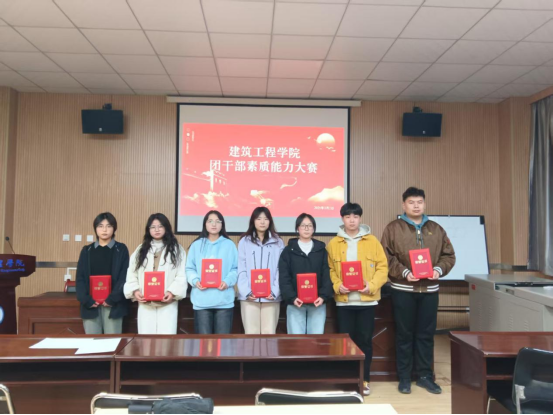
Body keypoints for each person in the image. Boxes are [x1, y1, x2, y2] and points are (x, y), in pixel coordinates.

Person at [381, 187, 456, 395]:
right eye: (411, 202)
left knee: (426, 335)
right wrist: (404, 272)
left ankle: (424, 376)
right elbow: (386, 257)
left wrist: (438, 270)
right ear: (403, 205)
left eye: (419, 202)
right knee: (404, 335)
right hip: (403, 289)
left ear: (424, 204)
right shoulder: (393, 228)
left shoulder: (436, 229)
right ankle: (404, 377)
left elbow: (449, 256)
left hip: (430, 290)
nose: (416, 206)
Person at [327, 203, 389, 397]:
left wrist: (372, 285)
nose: (352, 220)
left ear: (360, 218)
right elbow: (329, 270)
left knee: (365, 342)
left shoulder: (372, 241)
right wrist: (337, 285)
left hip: (366, 301)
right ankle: (346, 379)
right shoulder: (333, 243)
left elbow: (383, 268)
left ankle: (364, 379)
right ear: (342, 219)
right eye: (348, 217)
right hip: (344, 302)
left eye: (355, 216)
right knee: (345, 343)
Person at [124, 213, 187, 335]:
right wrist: (135, 291)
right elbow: (132, 273)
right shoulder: (140, 250)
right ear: (148, 230)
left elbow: (181, 275)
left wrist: (172, 292)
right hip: (145, 302)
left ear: (166, 228)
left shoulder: (177, 250)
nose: (157, 230)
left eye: (160, 226)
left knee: (166, 338)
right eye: (153, 227)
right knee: (146, 338)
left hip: (167, 301)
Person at [279, 213, 333, 335]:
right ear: (297, 228)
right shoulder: (288, 251)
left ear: (314, 229)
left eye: (310, 225)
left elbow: (327, 274)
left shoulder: (321, 250)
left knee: (315, 340)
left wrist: (323, 296)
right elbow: (284, 276)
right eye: (303, 225)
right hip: (295, 303)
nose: (306, 228)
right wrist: (292, 298)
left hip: (318, 303)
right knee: (296, 341)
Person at [77, 212, 129, 334]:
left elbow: (124, 276)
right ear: (95, 228)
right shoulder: (87, 250)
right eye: (100, 226)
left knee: (112, 341)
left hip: (113, 304)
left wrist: (112, 299)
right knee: (92, 342)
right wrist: (86, 300)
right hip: (91, 305)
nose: (104, 230)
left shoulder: (121, 249)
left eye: (108, 226)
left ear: (114, 228)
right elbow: (80, 277)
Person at [186, 211, 238, 335]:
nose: (214, 224)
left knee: (223, 343)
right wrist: (195, 281)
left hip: (224, 301)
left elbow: (236, 269)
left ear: (222, 224)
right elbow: (189, 268)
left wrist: (227, 282)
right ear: (205, 224)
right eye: (210, 221)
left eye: (217, 221)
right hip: (202, 301)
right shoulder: (196, 245)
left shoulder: (229, 245)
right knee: (204, 343)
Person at [237, 207, 285, 335]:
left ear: (270, 221)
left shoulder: (278, 242)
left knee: (269, 334)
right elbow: (241, 268)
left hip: (271, 297)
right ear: (253, 221)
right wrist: (246, 291)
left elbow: (281, 269)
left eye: (266, 219)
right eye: (259, 219)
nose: (262, 222)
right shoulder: (244, 241)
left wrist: (275, 291)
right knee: (251, 334)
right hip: (249, 297)